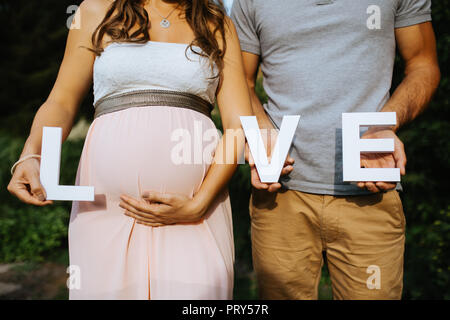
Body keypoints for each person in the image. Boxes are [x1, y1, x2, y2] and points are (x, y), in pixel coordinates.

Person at [7, 0, 253, 299]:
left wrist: (199, 204)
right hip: (105, 209)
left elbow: (238, 127)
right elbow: (61, 101)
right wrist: (32, 154)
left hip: (196, 211)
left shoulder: (217, 23)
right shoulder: (96, 10)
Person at [231, 0, 440, 299]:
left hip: (370, 193)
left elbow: (423, 65)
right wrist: (262, 130)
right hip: (280, 196)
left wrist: (383, 125)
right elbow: (241, 80)